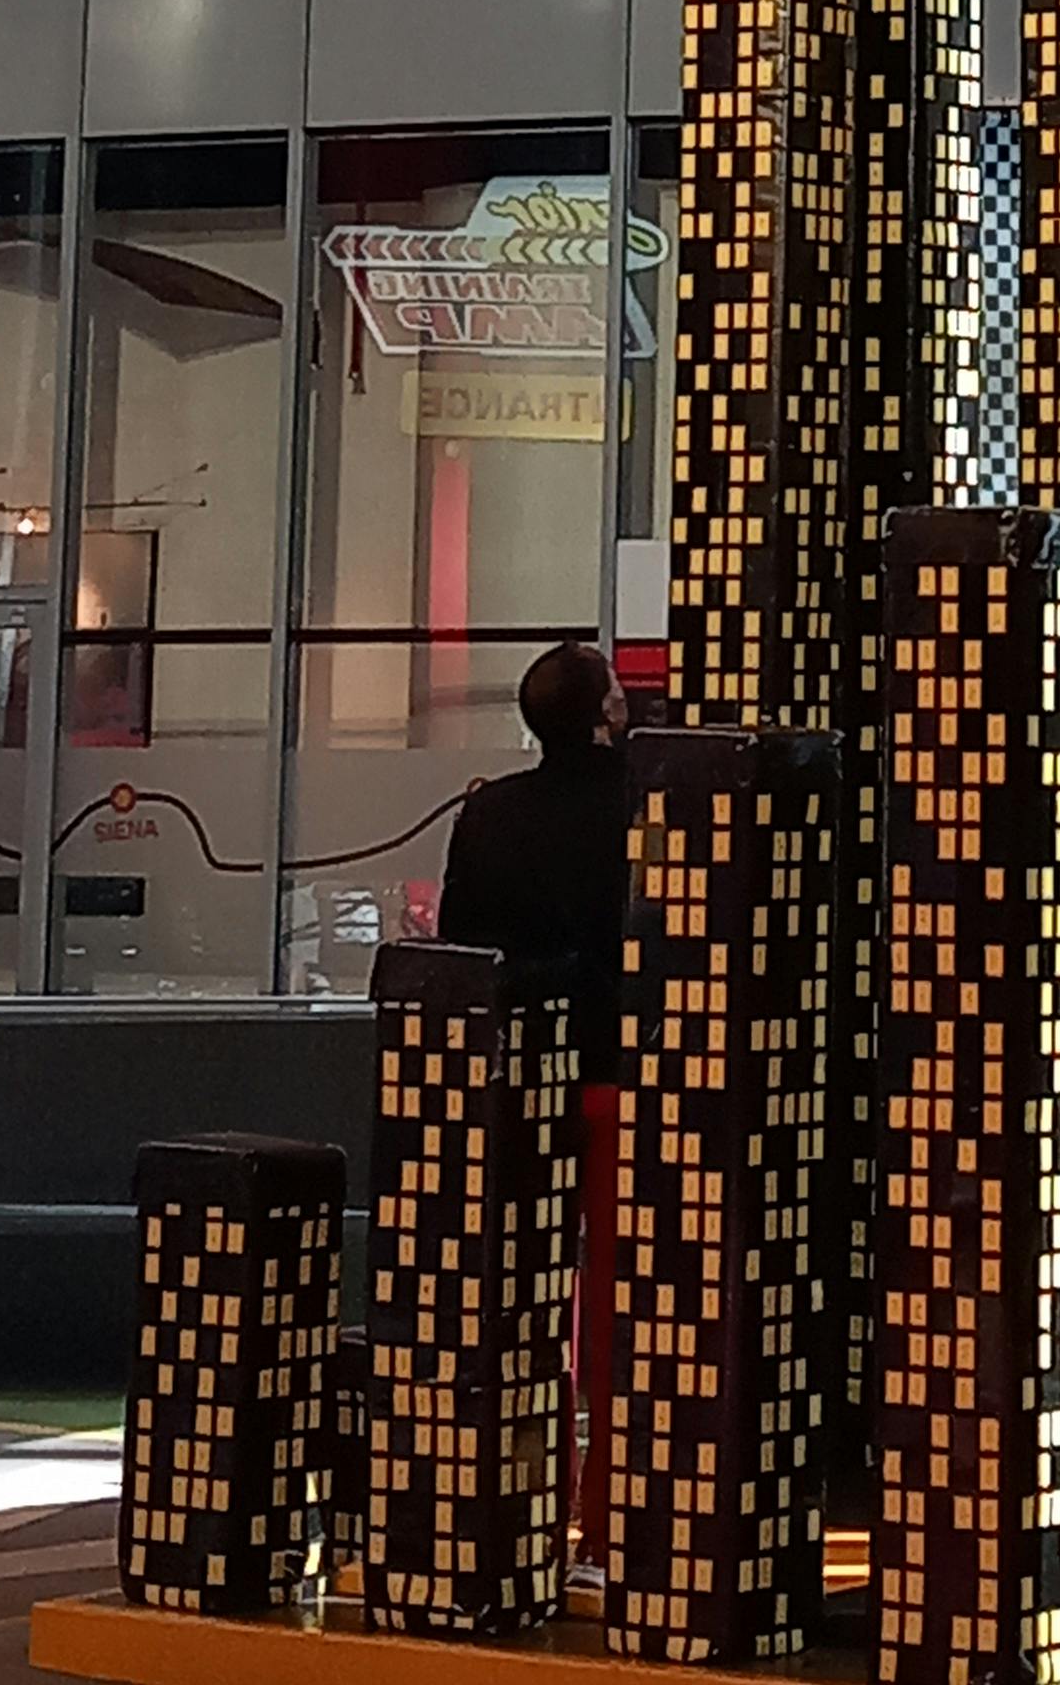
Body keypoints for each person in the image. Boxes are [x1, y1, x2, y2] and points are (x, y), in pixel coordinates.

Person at [439, 639, 632, 1578]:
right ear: (606, 715)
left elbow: (463, 949)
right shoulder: (650, 806)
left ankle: (525, 1510)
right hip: (625, 1078)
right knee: (621, 1309)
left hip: (525, 1084)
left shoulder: (490, 814)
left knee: (524, 1303)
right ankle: (609, 1525)